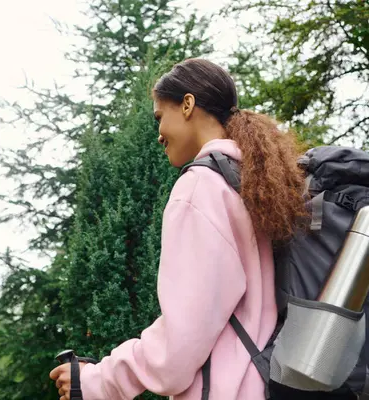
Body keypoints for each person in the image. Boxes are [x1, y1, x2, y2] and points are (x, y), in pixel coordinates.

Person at [49, 58, 306, 400]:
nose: (158, 135)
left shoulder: (202, 187)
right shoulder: (253, 186)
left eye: (159, 117)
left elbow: (180, 342)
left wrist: (97, 381)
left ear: (187, 104)